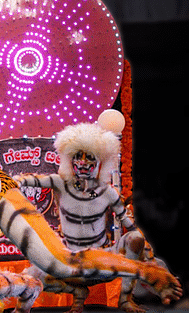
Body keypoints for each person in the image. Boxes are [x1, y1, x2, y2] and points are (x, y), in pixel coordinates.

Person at [14, 122, 160, 313]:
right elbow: (29, 179)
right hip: (69, 263)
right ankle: (75, 293)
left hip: (101, 262)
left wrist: (150, 260)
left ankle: (125, 300)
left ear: (100, 162)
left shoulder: (108, 192)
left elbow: (131, 229)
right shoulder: (60, 183)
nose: (82, 163)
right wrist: (13, 182)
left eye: (89, 158)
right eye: (78, 157)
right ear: (70, 161)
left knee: (135, 239)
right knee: (30, 275)